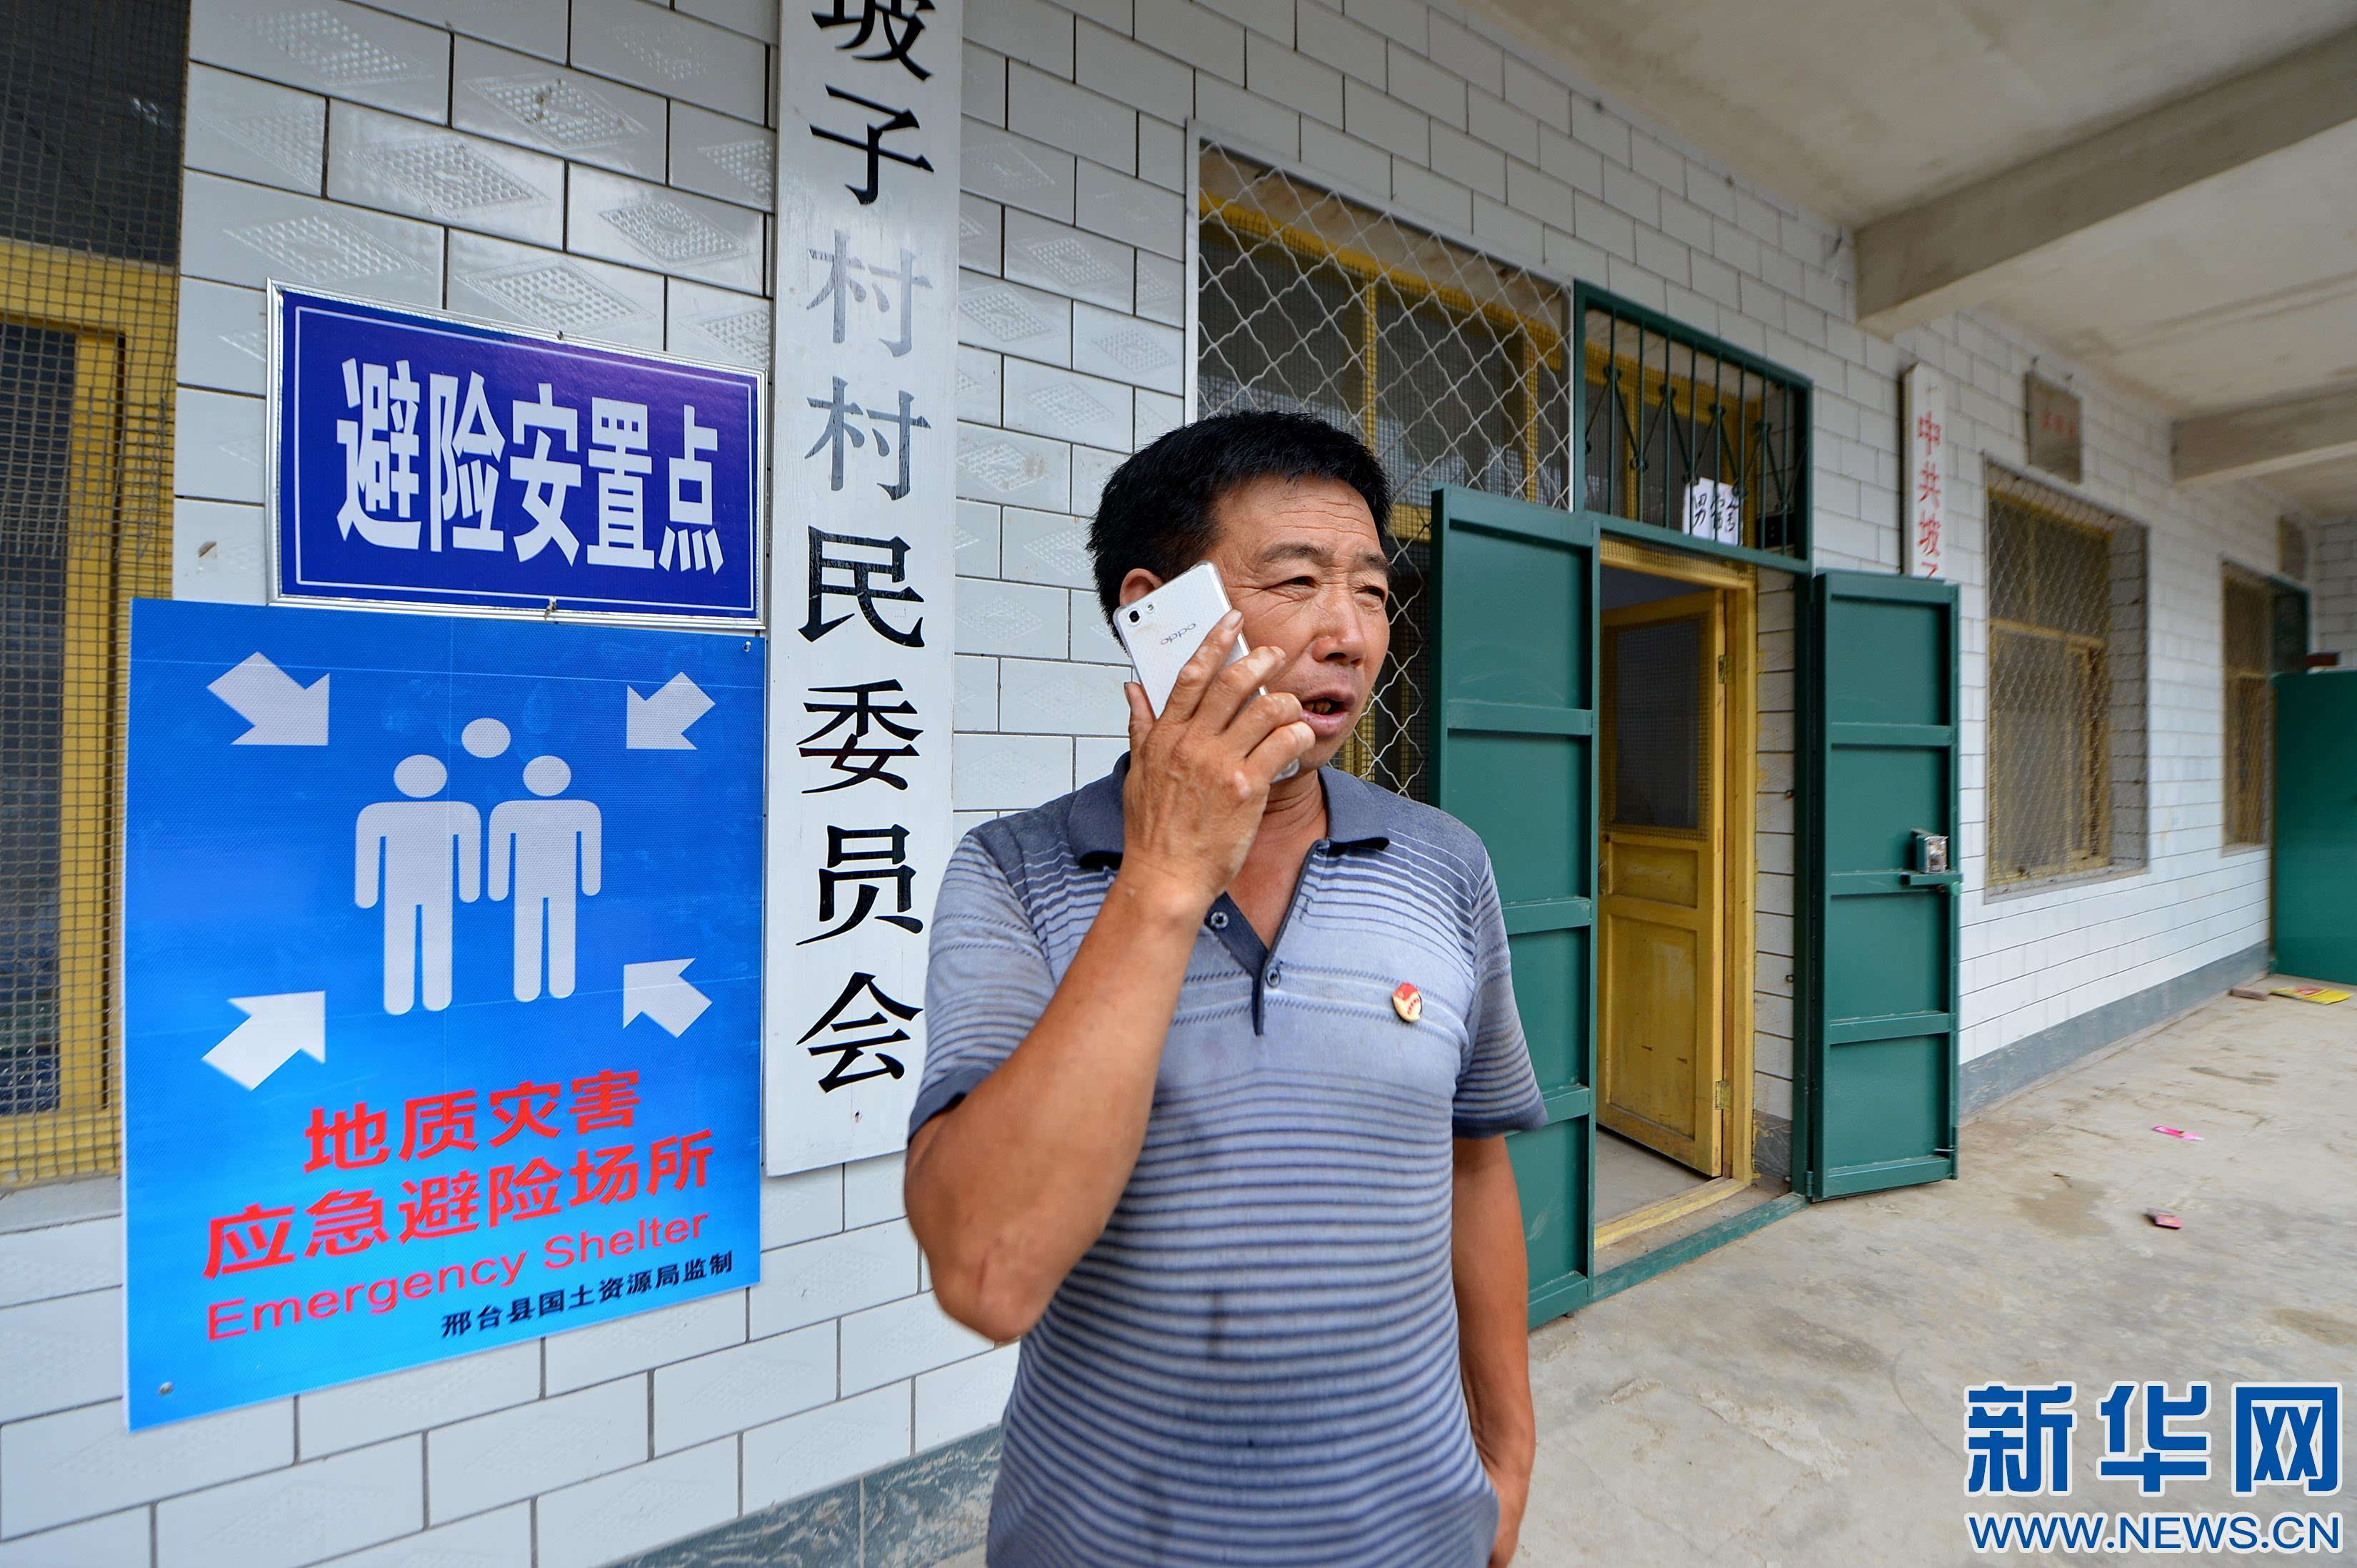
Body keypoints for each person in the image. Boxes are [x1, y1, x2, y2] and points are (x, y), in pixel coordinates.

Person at [904, 411, 1546, 1567]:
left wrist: (1506, 1461)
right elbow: (989, 1273)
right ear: (1157, 614)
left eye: (1374, 591)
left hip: (1414, 1538)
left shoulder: (1448, 865)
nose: (1349, 634)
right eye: (1296, 582)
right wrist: (1164, 875)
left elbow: (1472, 1162)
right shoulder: (1012, 875)